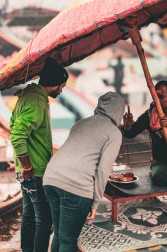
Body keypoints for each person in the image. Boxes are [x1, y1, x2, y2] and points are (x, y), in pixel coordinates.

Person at [43, 92, 125, 251]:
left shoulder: (80, 123)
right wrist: (95, 203)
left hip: (51, 178)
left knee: (60, 235)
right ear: (119, 112)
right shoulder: (113, 133)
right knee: (68, 241)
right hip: (76, 186)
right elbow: (103, 169)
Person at [10, 57, 69, 252]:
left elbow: (14, 127)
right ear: (57, 84)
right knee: (44, 220)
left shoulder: (28, 96)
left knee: (29, 217)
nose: (62, 90)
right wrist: (27, 166)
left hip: (26, 172)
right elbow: (17, 135)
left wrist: (22, 166)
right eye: (63, 86)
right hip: (34, 172)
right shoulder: (36, 101)